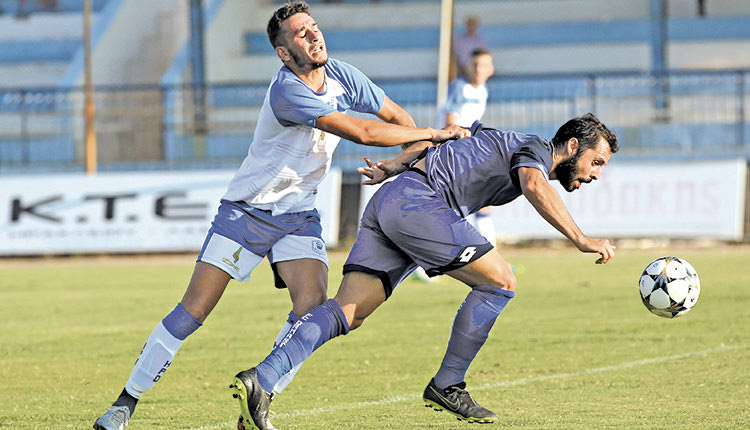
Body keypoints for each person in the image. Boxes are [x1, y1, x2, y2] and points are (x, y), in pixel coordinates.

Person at [91, 2, 467, 430]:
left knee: (311, 308)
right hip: (247, 212)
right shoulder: (287, 91)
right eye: (300, 34)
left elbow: (398, 119)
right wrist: (436, 133)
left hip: (299, 215)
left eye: (314, 27)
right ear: (284, 53)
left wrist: (395, 165)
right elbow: (363, 132)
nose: (313, 36)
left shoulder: (343, 74)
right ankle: (124, 404)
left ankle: (256, 404)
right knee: (193, 311)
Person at [231, 113, 619, 429]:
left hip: (391, 200)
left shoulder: (500, 136)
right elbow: (534, 183)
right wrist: (581, 239)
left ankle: (261, 378)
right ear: (571, 147)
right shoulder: (533, 148)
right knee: (501, 282)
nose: (596, 173)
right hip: (421, 204)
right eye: (596, 162)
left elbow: (444, 139)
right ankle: (448, 384)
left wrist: (393, 167)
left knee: (349, 310)